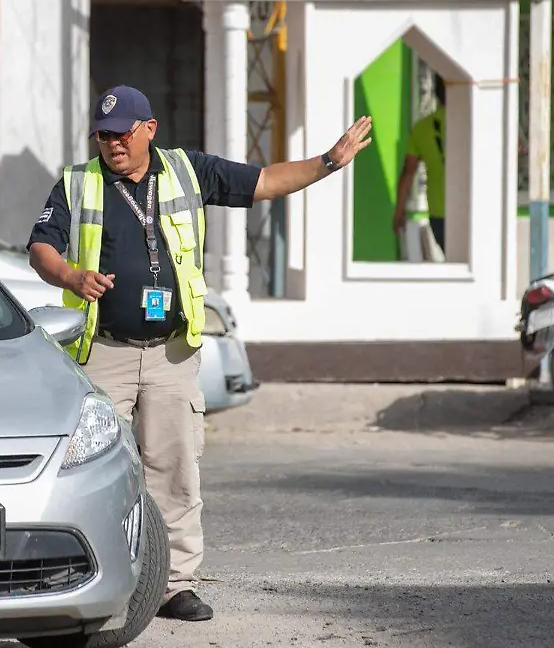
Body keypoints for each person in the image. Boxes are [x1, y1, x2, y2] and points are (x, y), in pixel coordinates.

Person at [26, 85, 372, 622]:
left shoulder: (189, 171)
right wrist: (70, 274)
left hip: (171, 353)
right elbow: (40, 246)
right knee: (95, 470)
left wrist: (329, 161)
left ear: (149, 130)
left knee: (176, 470)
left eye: (121, 134)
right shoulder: (79, 182)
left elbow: (265, 182)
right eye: (103, 135)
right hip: (105, 352)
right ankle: (98, 577)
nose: (112, 145)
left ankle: (174, 586)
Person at [394, 74, 447, 251]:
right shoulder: (475, 123)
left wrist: (399, 211)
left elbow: (409, 172)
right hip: (473, 209)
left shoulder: (423, 127)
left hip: (439, 212)